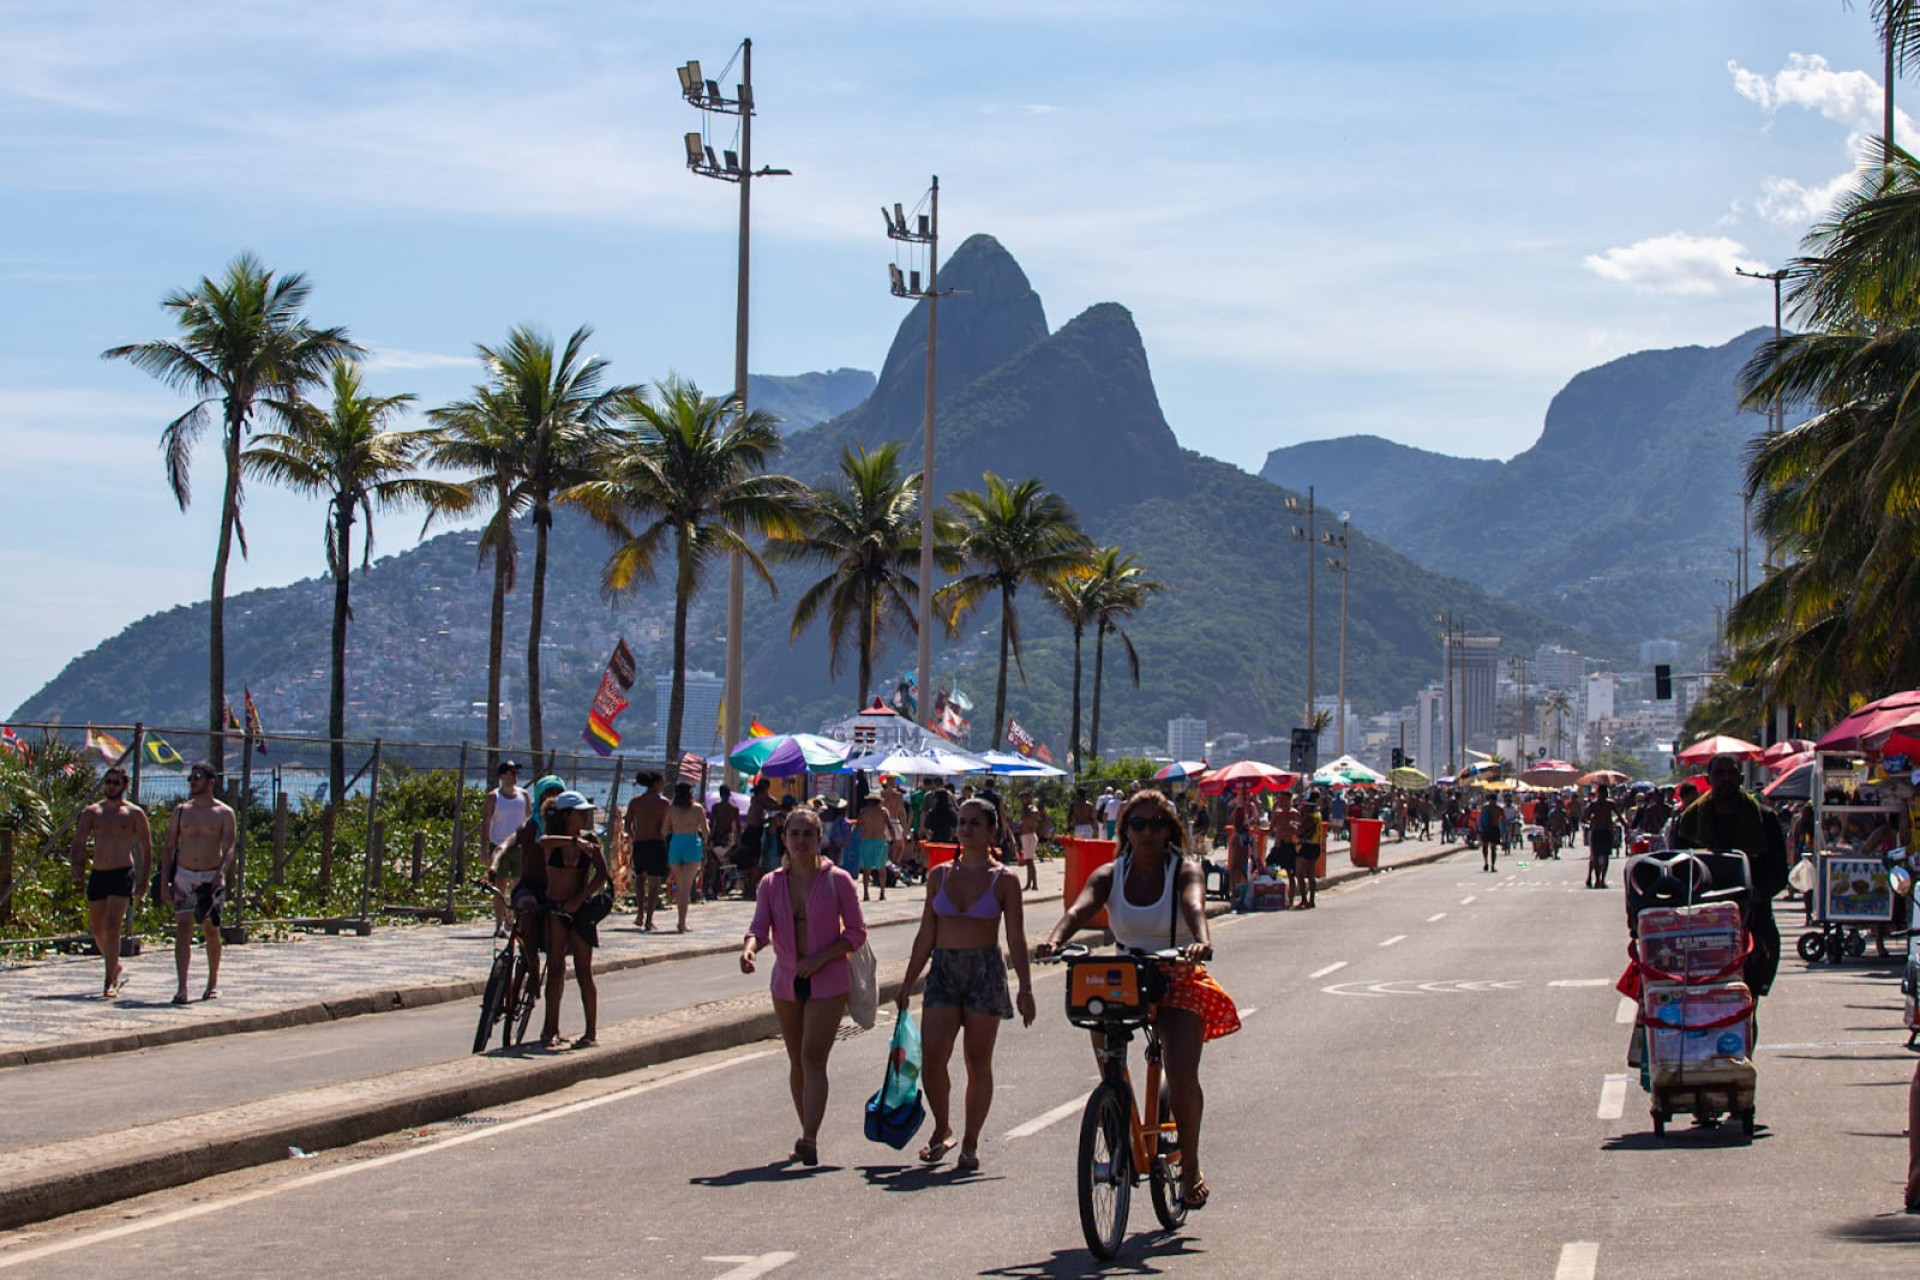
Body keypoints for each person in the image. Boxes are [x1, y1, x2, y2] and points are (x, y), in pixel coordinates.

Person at [1035, 788, 1236, 1209]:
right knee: (1106, 1047)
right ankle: (1115, 1117)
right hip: (1125, 976)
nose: (1147, 832)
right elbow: (1079, 910)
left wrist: (1200, 942)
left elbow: (1194, 906)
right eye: (1137, 824)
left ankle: (1192, 1165)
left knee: (1182, 1074)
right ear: (1124, 829)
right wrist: (1054, 941)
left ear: (1170, 830)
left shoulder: (1185, 869)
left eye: (1156, 824)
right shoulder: (1110, 873)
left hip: (1178, 970)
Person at [897, 797, 1036, 1170]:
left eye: (976, 823)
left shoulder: (1004, 880)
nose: (966, 829)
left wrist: (1025, 986)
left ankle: (971, 1142)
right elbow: (925, 934)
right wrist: (907, 982)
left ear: (992, 830)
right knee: (932, 1057)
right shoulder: (939, 875)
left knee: (978, 1059)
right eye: (962, 822)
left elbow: (1016, 938)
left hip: (984, 971)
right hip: (943, 969)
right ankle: (943, 1128)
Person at [740, 806, 867, 1166]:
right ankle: (806, 1128)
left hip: (828, 980)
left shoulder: (837, 879)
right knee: (796, 1059)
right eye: (794, 834)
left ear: (818, 839)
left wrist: (822, 958)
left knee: (814, 1056)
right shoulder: (770, 883)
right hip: (786, 980)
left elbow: (856, 932)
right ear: (784, 839)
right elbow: (759, 929)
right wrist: (749, 951)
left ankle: (809, 1136)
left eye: (808, 834)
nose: (801, 841)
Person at [1670, 753, 1790, 997]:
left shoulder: (1764, 819)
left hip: (1752, 921)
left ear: (1741, 778)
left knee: (1748, 996)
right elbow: (1676, 872)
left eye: (1731, 773)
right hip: (1702, 923)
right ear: (1709, 779)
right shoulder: (1688, 821)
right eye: (1719, 774)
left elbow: (1779, 872)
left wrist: (1758, 893)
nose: (1726, 779)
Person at [537, 790, 611, 1048]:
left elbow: (602, 874)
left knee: (584, 971)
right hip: (556, 909)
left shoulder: (590, 840)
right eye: (581, 813)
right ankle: (551, 1029)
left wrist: (581, 898)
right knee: (555, 968)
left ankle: (590, 1032)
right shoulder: (554, 842)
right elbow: (544, 841)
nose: (586, 817)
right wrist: (573, 843)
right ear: (567, 815)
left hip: (579, 912)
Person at [69, 765, 150, 998]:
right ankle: (113, 964)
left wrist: (144, 880)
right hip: (99, 873)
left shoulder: (134, 814)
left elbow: (146, 847)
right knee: (97, 928)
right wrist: (77, 869)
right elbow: (79, 842)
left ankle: (109, 980)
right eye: (108, 782)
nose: (111, 786)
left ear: (124, 786)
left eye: (116, 782)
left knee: (114, 926)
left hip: (122, 873)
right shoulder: (92, 812)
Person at [160, 761, 236, 1004]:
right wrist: (165, 880)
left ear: (211, 781)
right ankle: (182, 986)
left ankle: (212, 981)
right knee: (183, 929)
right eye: (191, 778)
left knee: (210, 929)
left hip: (209, 876)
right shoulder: (181, 811)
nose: (193, 782)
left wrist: (220, 874)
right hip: (184, 874)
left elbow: (230, 847)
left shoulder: (224, 813)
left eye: (198, 777)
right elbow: (170, 846)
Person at [482, 760, 530, 938]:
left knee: (518, 886)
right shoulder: (493, 797)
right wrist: (484, 849)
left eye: (516, 773)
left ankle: (516, 922)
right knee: (499, 886)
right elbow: (486, 823)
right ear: (502, 775)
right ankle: (499, 925)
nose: (514, 776)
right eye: (511, 773)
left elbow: (529, 821)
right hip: (498, 844)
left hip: (519, 846)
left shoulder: (524, 795)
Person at [623, 770, 669, 930]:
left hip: (640, 843)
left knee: (640, 880)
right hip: (656, 843)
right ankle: (649, 919)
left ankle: (639, 914)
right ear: (656, 784)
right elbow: (667, 826)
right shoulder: (664, 803)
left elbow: (626, 824)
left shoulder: (636, 802)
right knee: (654, 883)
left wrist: (635, 836)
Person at [662, 781, 709, 933]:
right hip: (691, 843)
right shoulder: (697, 808)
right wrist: (705, 843)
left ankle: (680, 920)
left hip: (676, 843)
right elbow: (706, 830)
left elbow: (664, 829)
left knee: (680, 885)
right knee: (686, 887)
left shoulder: (671, 808)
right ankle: (681, 923)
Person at [740, 779, 773, 897]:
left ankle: (749, 888)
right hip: (753, 834)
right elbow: (759, 821)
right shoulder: (758, 805)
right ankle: (750, 889)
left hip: (750, 833)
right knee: (754, 863)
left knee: (751, 863)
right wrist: (768, 820)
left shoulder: (755, 801)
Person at [855, 794, 891, 902]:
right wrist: (894, 839)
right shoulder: (883, 812)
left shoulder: (863, 812)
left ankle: (866, 894)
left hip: (866, 841)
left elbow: (858, 826)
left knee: (867, 868)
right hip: (880, 840)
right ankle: (882, 893)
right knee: (882, 868)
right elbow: (889, 826)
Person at [1585, 784, 1619, 889]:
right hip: (1601, 831)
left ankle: (1600, 880)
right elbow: (1585, 817)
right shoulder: (1596, 804)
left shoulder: (1605, 804)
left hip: (1602, 831)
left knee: (1602, 856)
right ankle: (1599, 880)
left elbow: (1584, 818)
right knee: (1599, 856)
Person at [1293, 798, 1321, 909]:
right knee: (1311, 875)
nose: (1302, 810)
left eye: (1304, 808)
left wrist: (1295, 828)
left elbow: (1302, 831)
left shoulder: (1309, 817)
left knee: (1300, 874)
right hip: (1316, 846)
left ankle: (1304, 900)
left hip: (1307, 846)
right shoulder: (1318, 816)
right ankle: (1312, 900)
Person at [1018, 796, 1043, 891]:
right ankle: (1029, 883)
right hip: (1026, 836)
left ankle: (1034, 884)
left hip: (1029, 835)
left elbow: (1032, 816)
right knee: (1028, 861)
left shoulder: (1031, 809)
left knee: (1030, 861)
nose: (1022, 800)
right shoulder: (1025, 809)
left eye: (1024, 797)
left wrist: (1027, 809)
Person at [1478, 795, 1504, 873]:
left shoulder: (1484, 808)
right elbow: (1503, 819)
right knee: (1493, 848)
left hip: (1486, 829)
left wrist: (1480, 828)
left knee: (1485, 846)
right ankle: (1492, 866)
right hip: (1494, 828)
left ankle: (1486, 862)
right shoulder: (1498, 808)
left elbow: (1480, 819)